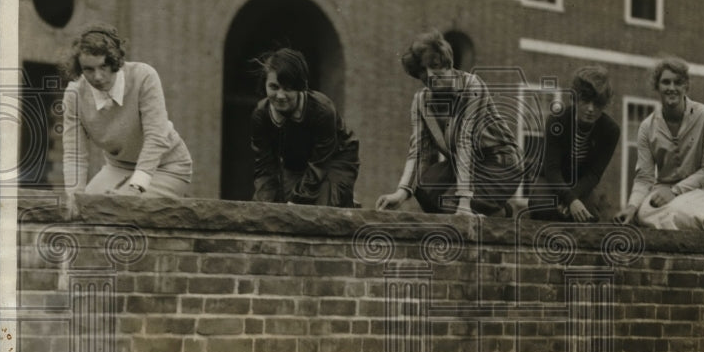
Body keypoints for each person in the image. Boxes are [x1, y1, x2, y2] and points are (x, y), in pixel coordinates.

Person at [375, 30, 523, 216]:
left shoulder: (471, 86)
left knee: (451, 206)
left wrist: (464, 201)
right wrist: (401, 193)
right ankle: (493, 209)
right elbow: (419, 151)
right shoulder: (421, 101)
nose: (429, 75)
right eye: (422, 70)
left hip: (499, 162)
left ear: (448, 64)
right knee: (425, 190)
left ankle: (498, 212)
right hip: (461, 164)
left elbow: (465, 142)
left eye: (435, 66)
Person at [61, 23, 192, 197]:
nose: (97, 77)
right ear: (80, 68)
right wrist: (73, 197)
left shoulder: (144, 76)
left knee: (118, 206)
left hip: (167, 166)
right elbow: (74, 154)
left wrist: (135, 188)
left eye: (103, 66)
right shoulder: (74, 94)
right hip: (118, 167)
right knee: (88, 206)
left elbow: (156, 137)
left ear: (115, 61)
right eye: (89, 69)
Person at [614, 56, 704, 230]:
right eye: (666, 82)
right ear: (657, 86)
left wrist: (674, 191)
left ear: (686, 86)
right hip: (664, 190)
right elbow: (644, 177)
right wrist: (631, 207)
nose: (672, 88)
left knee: (680, 212)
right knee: (643, 213)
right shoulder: (647, 127)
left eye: (678, 82)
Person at [250, 48, 359, 206]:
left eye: (288, 88)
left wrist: (298, 199)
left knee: (317, 207)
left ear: (300, 87)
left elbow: (319, 164)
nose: (280, 95)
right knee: (277, 205)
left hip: (334, 158)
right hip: (296, 161)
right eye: (274, 87)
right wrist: (263, 205)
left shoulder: (322, 110)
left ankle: (342, 198)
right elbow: (264, 167)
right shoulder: (260, 115)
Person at [528, 66, 620, 223]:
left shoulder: (610, 130)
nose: (590, 109)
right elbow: (552, 169)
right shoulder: (557, 121)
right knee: (543, 205)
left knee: (588, 213)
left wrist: (572, 200)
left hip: (581, 184)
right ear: (574, 99)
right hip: (551, 180)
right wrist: (570, 200)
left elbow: (594, 174)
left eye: (597, 104)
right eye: (585, 101)